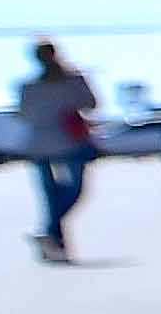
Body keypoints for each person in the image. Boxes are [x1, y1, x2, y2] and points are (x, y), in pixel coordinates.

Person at [15, 40, 98, 262]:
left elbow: (22, 115)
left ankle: (51, 239)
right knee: (73, 190)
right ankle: (52, 237)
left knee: (51, 195)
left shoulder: (29, 86)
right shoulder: (73, 80)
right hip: (69, 142)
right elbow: (91, 103)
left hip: (39, 144)